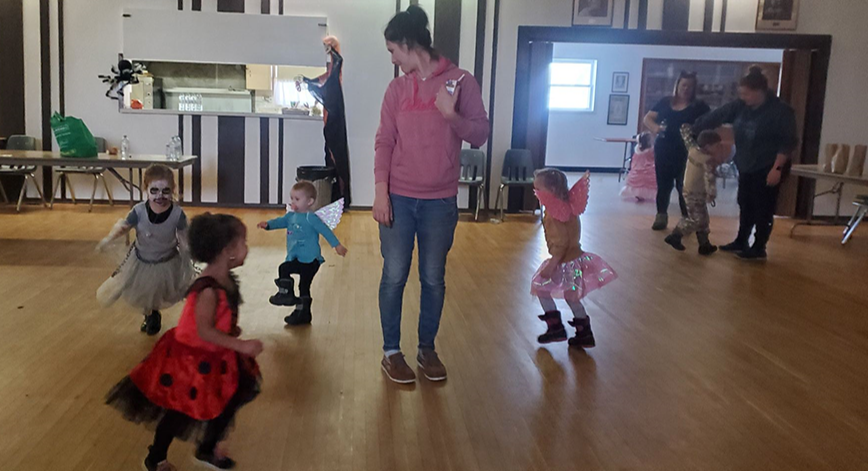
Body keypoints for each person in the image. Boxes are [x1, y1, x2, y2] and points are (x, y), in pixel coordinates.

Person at [374, 5, 489, 384]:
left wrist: (451, 115)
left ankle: (427, 348)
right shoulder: (396, 89)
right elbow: (384, 142)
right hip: (399, 198)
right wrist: (380, 193)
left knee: (433, 278)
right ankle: (392, 352)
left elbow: (480, 134)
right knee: (394, 275)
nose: (391, 59)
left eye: (393, 50)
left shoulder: (461, 82)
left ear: (408, 44)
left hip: (440, 201)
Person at [106, 213, 263, 471]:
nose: (247, 248)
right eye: (243, 242)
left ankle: (206, 448)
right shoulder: (208, 289)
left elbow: (217, 323)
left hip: (215, 354)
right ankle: (155, 458)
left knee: (228, 398)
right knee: (178, 412)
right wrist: (241, 345)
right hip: (190, 359)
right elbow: (204, 331)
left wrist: (230, 330)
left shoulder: (226, 280)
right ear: (228, 252)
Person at [693, 66, 798, 261]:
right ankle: (741, 240)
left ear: (760, 92)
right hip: (747, 164)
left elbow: (788, 142)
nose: (743, 97)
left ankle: (759, 246)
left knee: (763, 207)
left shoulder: (781, 111)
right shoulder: (740, 106)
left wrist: (777, 168)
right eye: (741, 94)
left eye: (747, 94)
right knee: (745, 203)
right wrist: (696, 127)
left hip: (768, 166)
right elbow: (718, 115)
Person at [96, 164, 194, 335]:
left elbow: (184, 236)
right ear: (145, 189)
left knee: (160, 290)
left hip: (167, 261)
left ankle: (154, 312)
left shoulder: (177, 214)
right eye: (154, 190)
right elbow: (125, 227)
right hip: (142, 260)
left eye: (166, 191)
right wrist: (110, 238)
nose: (160, 196)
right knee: (144, 290)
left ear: (173, 190)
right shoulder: (139, 211)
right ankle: (150, 314)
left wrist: (190, 252)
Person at [532, 170, 617, 348]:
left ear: (552, 189)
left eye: (538, 188)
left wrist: (552, 265)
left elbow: (561, 242)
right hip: (575, 259)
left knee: (540, 287)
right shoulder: (568, 206)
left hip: (563, 262)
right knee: (572, 297)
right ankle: (584, 333)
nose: (536, 192)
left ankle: (556, 328)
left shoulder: (554, 213)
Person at [257, 181, 347, 326]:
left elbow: (325, 231)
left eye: (297, 199)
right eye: (292, 198)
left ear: (309, 202)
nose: (293, 202)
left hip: (311, 261)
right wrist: (268, 225)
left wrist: (336, 245)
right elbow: (280, 222)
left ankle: (300, 308)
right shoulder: (290, 216)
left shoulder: (310, 218)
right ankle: (290, 297)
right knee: (284, 268)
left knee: (303, 286)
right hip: (296, 257)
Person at [643, 71, 711, 231]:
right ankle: (661, 215)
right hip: (664, 149)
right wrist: (656, 128)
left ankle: (686, 218)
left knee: (684, 186)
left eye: (690, 86)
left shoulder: (699, 106)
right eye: (683, 85)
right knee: (663, 184)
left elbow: (710, 123)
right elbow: (648, 118)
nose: (686, 89)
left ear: (694, 89)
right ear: (678, 86)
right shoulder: (666, 102)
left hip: (687, 151)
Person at [664, 126, 730, 255]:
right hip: (696, 194)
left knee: (703, 219)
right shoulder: (708, 161)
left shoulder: (693, 150)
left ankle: (704, 244)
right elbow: (709, 179)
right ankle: (676, 235)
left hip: (688, 191)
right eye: (717, 146)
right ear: (708, 146)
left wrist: (685, 128)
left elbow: (687, 139)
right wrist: (711, 194)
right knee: (697, 220)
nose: (718, 148)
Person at [620, 132, 656, 202]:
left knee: (636, 182)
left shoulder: (637, 150)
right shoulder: (651, 150)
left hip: (637, 169)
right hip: (648, 168)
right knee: (649, 181)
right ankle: (645, 195)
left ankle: (638, 195)